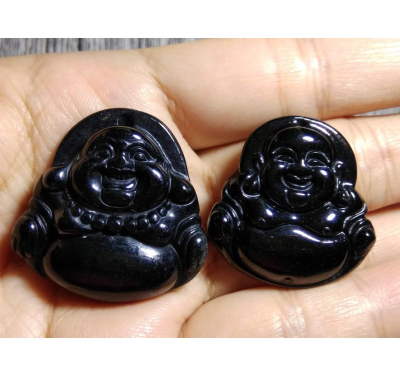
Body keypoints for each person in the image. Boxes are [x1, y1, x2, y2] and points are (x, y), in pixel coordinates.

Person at [0, 38, 399, 337]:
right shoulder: (63, 196)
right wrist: (34, 227)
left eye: (137, 157)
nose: (121, 165)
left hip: (301, 259)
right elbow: (35, 226)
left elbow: (193, 237)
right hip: (66, 264)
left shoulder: (173, 202)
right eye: (103, 154)